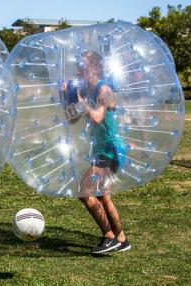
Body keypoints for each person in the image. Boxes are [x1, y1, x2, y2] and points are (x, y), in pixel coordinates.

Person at [63, 51, 131, 254]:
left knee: (84, 191)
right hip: (102, 148)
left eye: (83, 65)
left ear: (94, 67)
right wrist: (66, 97)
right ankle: (121, 238)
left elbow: (98, 117)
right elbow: (72, 119)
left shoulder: (104, 89)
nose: (79, 69)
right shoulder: (86, 89)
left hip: (109, 150)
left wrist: (83, 103)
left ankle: (109, 237)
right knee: (103, 196)